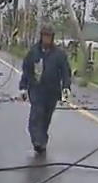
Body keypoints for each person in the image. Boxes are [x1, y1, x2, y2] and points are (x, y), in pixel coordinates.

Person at [19, 25, 72, 156]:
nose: (47, 39)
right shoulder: (33, 52)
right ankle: (37, 141)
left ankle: (42, 141)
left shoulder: (59, 54)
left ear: (52, 38)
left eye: (49, 36)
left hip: (52, 91)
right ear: (41, 37)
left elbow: (66, 73)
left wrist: (66, 90)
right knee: (36, 116)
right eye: (44, 36)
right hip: (37, 90)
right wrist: (23, 88)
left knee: (46, 118)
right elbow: (26, 70)